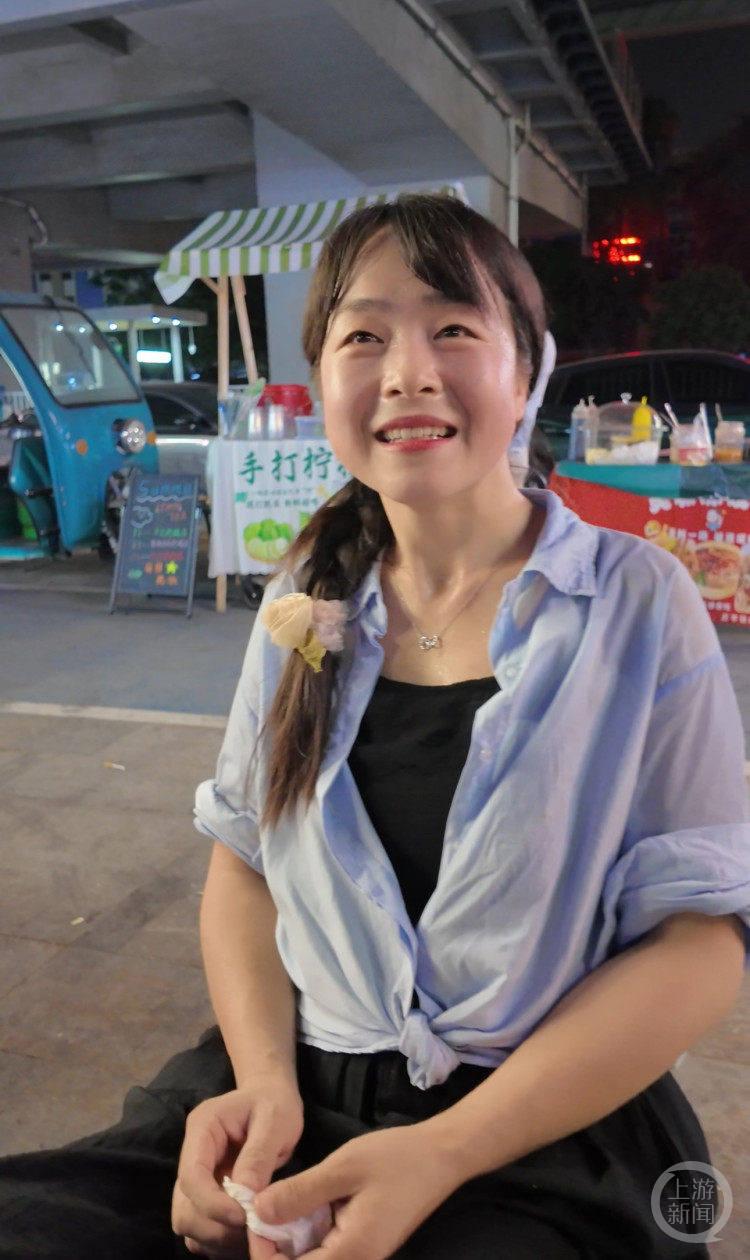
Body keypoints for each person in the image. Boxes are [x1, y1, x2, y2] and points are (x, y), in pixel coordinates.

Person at [1, 194, 749, 1260]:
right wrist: (261, 1085)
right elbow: (245, 863)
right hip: (301, 1080)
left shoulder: (636, 603)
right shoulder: (307, 594)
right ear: (325, 381)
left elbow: (701, 941)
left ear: (529, 370)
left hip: (534, 1125)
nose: (407, 373)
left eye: (453, 327)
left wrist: (440, 1153)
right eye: (363, 337)